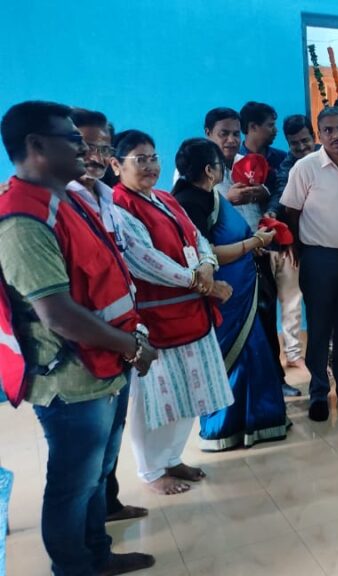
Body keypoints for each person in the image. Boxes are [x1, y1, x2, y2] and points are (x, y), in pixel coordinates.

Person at [0, 100, 158, 576]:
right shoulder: (22, 221)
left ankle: (97, 554)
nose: (85, 151)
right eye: (74, 140)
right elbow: (59, 315)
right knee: (73, 484)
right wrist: (131, 346)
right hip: (72, 377)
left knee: (97, 475)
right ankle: (74, 568)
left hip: (106, 362)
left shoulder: (66, 198)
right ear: (35, 145)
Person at [110, 130, 234, 493]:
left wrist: (207, 265)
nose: (150, 166)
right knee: (156, 399)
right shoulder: (120, 208)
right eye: (140, 159)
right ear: (116, 165)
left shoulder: (165, 198)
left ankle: (172, 457)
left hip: (192, 310)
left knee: (191, 390)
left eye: (153, 157)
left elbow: (198, 238)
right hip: (157, 317)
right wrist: (201, 282)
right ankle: (152, 471)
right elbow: (145, 260)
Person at [172, 138, 291, 450]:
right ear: (209, 170)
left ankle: (258, 421)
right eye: (219, 166)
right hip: (224, 293)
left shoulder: (209, 195)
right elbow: (206, 254)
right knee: (232, 357)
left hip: (242, 286)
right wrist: (255, 243)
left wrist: (253, 242)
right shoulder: (191, 202)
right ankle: (226, 425)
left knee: (253, 353)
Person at [66, 108, 148, 523]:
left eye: (102, 147)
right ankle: (85, 544)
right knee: (83, 457)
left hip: (119, 338)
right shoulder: (60, 203)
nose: (94, 156)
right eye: (84, 146)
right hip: (81, 349)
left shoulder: (105, 198)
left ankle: (107, 508)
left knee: (109, 440)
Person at [281, 107, 338, 422]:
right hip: (319, 257)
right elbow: (291, 211)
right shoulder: (305, 168)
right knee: (320, 327)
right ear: (319, 135)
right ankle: (319, 392)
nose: (336, 135)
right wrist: (298, 248)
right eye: (329, 130)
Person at [237, 101, 297, 397]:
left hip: (281, 245)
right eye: (271, 125)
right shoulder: (233, 163)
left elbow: (285, 194)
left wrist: (272, 207)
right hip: (249, 252)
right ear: (252, 127)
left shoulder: (280, 159)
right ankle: (262, 379)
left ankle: (286, 367)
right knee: (260, 317)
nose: (275, 131)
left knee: (290, 305)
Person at [271, 114, 316, 370]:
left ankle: (329, 349)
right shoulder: (286, 167)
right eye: (294, 143)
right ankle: (293, 352)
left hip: (327, 243)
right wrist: (289, 239)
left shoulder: (326, 158)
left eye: (305, 140)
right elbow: (281, 197)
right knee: (292, 299)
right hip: (294, 244)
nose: (301, 147)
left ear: (314, 137)